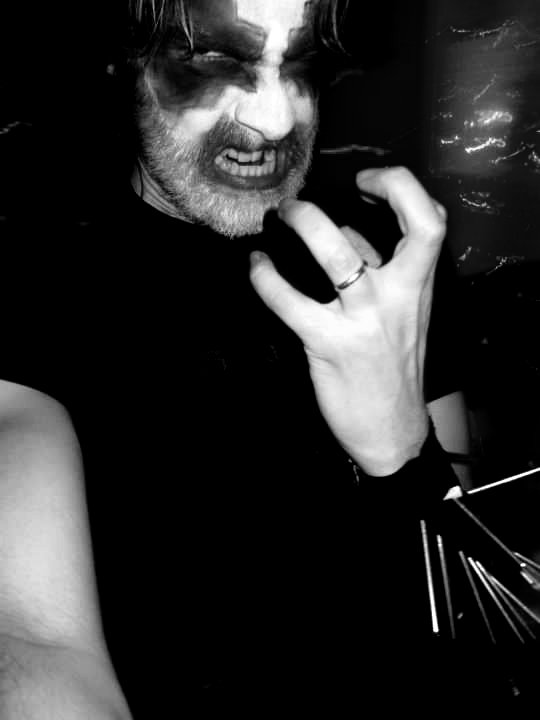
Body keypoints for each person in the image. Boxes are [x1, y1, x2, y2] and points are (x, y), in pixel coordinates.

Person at [0, 0, 475, 716]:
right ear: (126, 58)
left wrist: (402, 447)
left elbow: (463, 613)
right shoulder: (32, 280)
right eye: (216, 60)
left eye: (303, 62)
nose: (276, 120)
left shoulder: (382, 257)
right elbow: (36, 642)